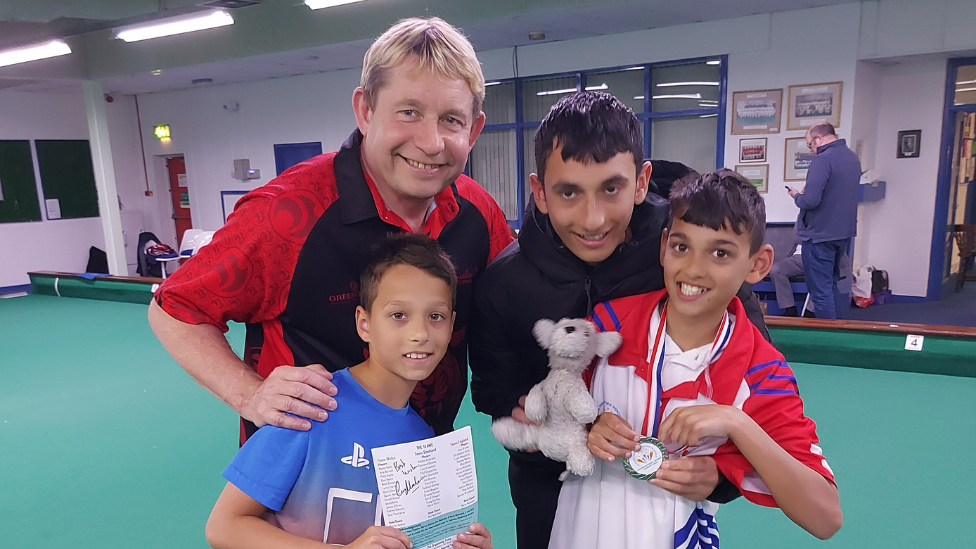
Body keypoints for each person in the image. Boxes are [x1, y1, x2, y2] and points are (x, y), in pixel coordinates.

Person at [147, 17, 512, 443]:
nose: (431, 142)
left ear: (474, 130)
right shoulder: (286, 214)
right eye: (408, 112)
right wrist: (249, 394)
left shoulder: (478, 213)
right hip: (307, 476)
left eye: (451, 119)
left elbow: (511, 310)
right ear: (365, 111)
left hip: (420, 466)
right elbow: (175, 309)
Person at [467, 91, 769, 549]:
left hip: (665, 499)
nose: (593, 219)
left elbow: (758, 381)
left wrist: (723, 476)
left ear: (643, 181)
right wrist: (569, 435)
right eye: (569, 191)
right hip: (547, 494)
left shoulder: (686, 257)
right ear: (539, 193)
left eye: (611, 188)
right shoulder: (501, 284)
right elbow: (496, 394)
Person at [549, 169, 841, 549]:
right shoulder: (608, 323)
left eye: (720, 253)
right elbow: (550, 403)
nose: (694, 269)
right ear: (664, 245)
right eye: (682, 247)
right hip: (579, 534)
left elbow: (826, 516)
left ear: (758, 264)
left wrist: (736, 424)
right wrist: (589, 426)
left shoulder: (761, 372)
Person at [206, 234, 493, 549]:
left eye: (435, 316)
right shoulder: (313, 404)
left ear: (451, 325)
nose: (420, 333)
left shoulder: (422, 439)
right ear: (364, 323)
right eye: (399, 315)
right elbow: (224, 527)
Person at [786, 122, 860, 319]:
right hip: (843, 234)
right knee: (832, 284)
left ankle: (828, 335)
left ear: (819, 139)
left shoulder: (822, 160)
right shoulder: (852, 158)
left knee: (820, 291)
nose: (811, 150)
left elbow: (810, 200)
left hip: (819, 235)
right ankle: (837, 330)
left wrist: (796, 196)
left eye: (809, 145)